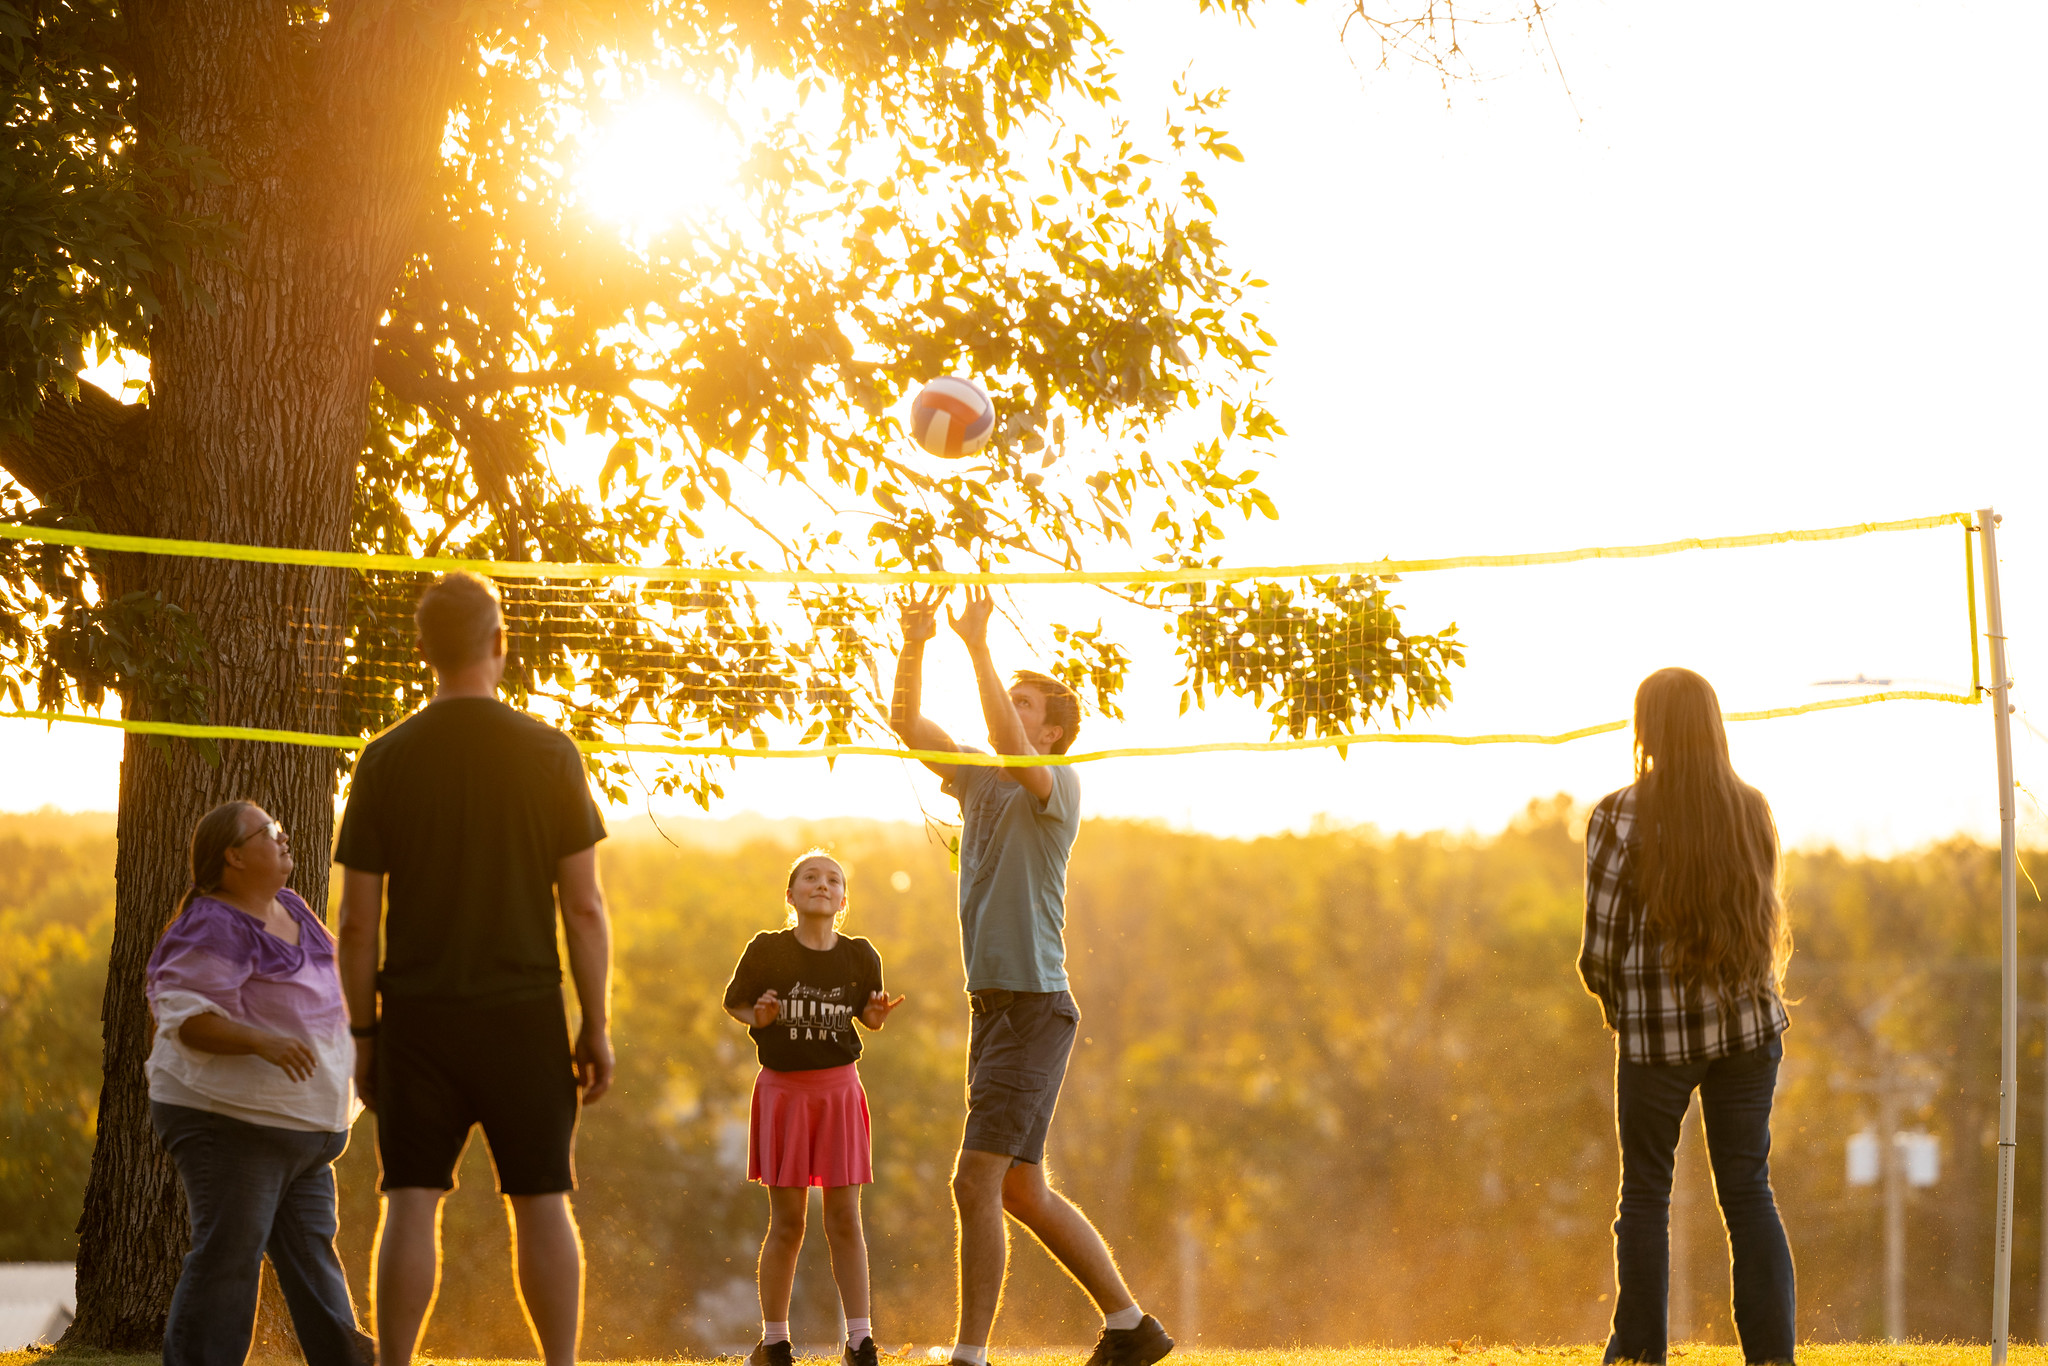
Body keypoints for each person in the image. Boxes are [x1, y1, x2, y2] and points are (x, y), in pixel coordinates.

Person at [889, 584, 1173, 1366]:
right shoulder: (979, 780)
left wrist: (978, 646)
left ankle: (968, 1357)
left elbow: (1009, 746)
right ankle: (1130, 1327)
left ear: (1051, 731)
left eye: (1023, 705)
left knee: (973, 1183)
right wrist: (917, 642)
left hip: (1035, 1009)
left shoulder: (1054, 785)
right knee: (1017, 1189)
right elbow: (906, 723)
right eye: (1006, 700)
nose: (1007, 713)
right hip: (997, 1012)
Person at [334, 571, 613, 1366]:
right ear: (499, 644)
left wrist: (362, 1035)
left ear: (422, 650)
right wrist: (594, 1026)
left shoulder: (383, 759)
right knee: (542, 1201)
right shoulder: (551, 753)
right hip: (524, 1014)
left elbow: (357, 922)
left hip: (417, 1017)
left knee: (411, 1198)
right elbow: (584, 910)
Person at [1578, 667, 1797, 1366]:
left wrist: (1625, 1013)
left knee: (1645, 1194)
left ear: (1646, 729)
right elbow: (1764, 920)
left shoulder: (1618, 814)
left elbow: (1599, 946)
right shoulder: (1752, 807)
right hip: (1749, 1031)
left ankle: (1641, 1354)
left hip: (1657, 1039)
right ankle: (1771, 1357)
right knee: (1747, 1190)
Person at [145, 800, 374, 1366]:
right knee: (229, 1258)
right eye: (270, 830)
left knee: (313, 1260)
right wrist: (261, 1040)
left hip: (304, 1131)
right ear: (234, 855)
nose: (284, 835)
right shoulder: (213, 923)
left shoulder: (290, 906)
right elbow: (185, 1018)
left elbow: (338, 981)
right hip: (231, 1123)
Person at [724, 851, 907, 1366]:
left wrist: (873, 1017)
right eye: (810, 877)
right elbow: (734, 1003)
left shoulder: (860, 955)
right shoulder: (767, 950)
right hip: (784, 1094)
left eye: (832, 880)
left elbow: (870, 1017)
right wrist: (757, 1018)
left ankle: (859, 1341)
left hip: (838, 1094)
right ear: (790, 895)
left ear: (843, 899)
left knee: (845, 1220)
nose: (821, 884)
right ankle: (776, 1342)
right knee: (788, 1224)